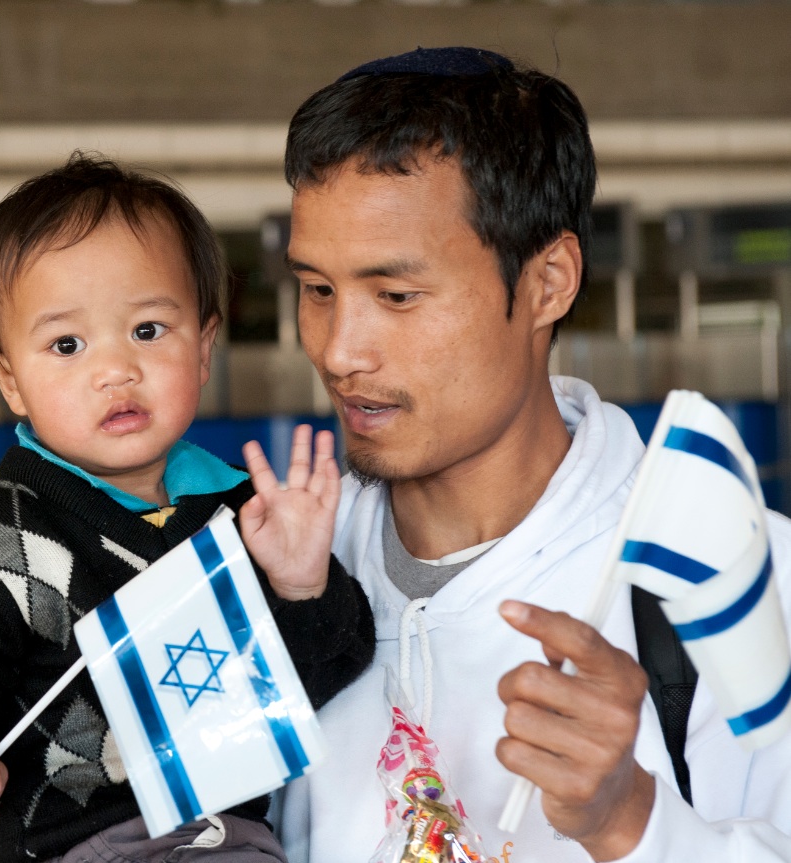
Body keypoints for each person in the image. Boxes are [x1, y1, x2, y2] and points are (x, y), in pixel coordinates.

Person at [276, 47, 791, 863]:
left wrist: (632, 821)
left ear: (549, 281)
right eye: (317, 289)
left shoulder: (735, 579)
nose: (339, 351)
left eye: (397, 296)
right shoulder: (277, 576)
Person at [0, 153, 375, 863]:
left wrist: (299, 585)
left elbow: (324, 675)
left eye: (147, 330)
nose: (115, 370)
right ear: (9, 378)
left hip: (231, 839)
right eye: (67, 344)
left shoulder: (245, 515)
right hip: (76, 846)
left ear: (204, 348)